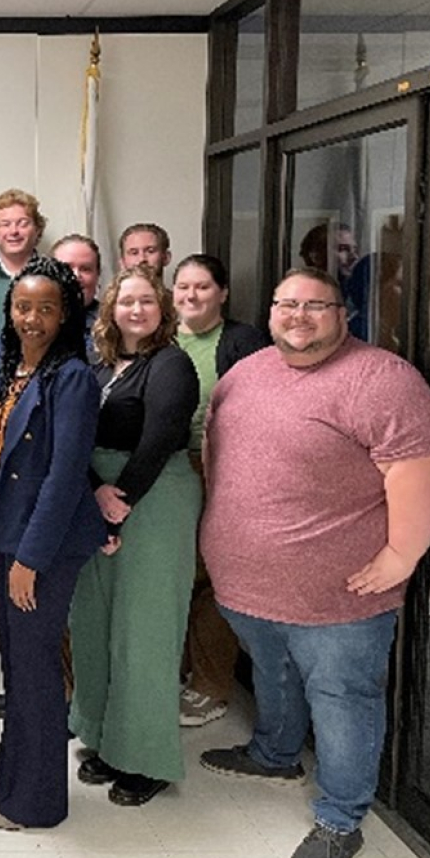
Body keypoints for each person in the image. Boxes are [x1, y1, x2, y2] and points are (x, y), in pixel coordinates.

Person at [200, 267, 430, 858]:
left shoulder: (383, 381)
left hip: (341, 596)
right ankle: (275, 753)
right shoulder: (246, 373)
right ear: (271, 313)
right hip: (248, 587)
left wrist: (401, 556)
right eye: (287, 304)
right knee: (274, 673)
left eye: (316, 305)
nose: (299, 316)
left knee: (342, 700)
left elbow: (423, 469)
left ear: (343, 313)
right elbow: (215, 452)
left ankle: (341, 819)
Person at [0, 256, 103, 831]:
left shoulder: (71, 375)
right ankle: (12, 781)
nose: (32, 318)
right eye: (22, 307)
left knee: (35, 670)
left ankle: (39, 802)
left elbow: (63, 474)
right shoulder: (10, 369)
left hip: (41, 544)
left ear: (65, 314)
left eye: (45, 309)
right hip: (8, 534)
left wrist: (30, 558)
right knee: (17, 669)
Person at [69, 264, 200, 808]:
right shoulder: (99, 367)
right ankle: (103, 737)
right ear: (110, 309)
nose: (137, 311)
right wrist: (96, 494)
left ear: (162, 309)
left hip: (152, 500)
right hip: (99, 500)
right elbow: (72, 436)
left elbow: (161, 436)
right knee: (95, 624)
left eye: (147, 301)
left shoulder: (171, 364)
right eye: (127, 302)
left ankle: (145, 759)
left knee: (144, 634)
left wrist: (116, 503)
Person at [171, 254, 267, 728]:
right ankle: (182, 670)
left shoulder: (241, 341)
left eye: (203, 287)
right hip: (166, 473)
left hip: (217, 472)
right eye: (183, 287)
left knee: (210, 580)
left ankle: (211, 686)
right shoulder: (160, 337)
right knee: (176, 576)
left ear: (223, 293)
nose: (191, 296)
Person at [0, 189, 45, 345]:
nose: (14, 231)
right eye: (5, 224)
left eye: (23, 224)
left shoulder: (53, 278)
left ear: (37, 230)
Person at [51, 234, 103, 361]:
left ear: (97, 275)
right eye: (66, 268)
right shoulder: (30, 322)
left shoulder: (113, 325)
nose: (76, 276)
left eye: (86, 269)